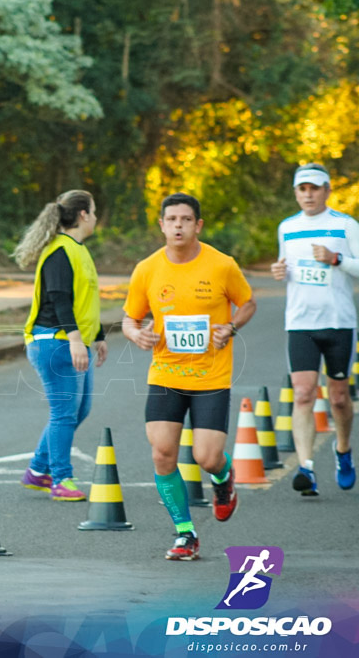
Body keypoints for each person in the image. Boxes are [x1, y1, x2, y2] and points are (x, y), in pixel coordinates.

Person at [122, 193, 256, 561]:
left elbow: (247, 302)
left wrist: (230, 326)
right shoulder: (147, 269)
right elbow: (130, 319)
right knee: (163, 453)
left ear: (198, 225)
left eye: (185, 219)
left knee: (206, 457)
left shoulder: (222, 265)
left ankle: (223, 478)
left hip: (211, 377)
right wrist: (136, 335)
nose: (178, 225)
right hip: (166, 373)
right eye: (171, 219)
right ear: (162, 225)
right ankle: (185, 534)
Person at [13, 190, 107, 502]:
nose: (95, 217)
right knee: (64, 412)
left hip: (71, 341)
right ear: (83, 215)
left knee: (79, 409)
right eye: (93, 211)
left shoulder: (78, 249)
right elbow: (59, 299)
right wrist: (77, 342)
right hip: (55, 341)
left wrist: (100, 336)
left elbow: (84, 299)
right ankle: (61, 478)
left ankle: (39, 470)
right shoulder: (59, 251)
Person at [271, 163, 359, 496]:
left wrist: (337, 259)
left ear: (327, 190)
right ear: (296, 192)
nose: (308, 194)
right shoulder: (287, 227)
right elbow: (287, 265)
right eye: (302, 189)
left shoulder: (345, 225)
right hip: (300, 322)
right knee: (304, 393)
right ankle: (306, 468)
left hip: (338, 322)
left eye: (314, 188)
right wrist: (279, 271)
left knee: (338, 398)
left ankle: (343, 450)